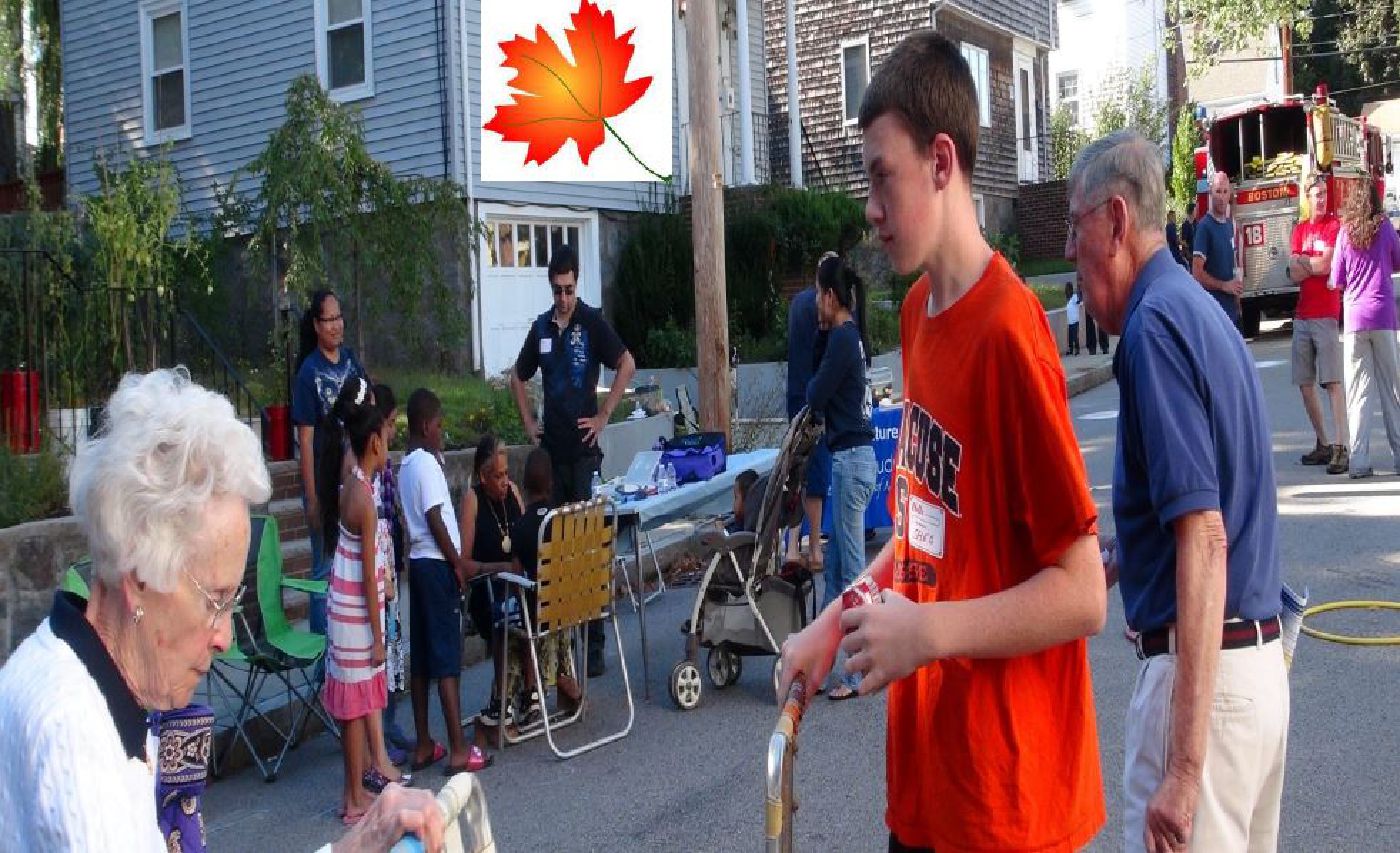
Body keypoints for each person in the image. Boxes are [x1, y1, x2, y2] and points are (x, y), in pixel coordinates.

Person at [778, 32, 1108, 853]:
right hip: (928, 784)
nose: (869, 207)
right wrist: (837, 620)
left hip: (1009, 802)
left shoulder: (1010, 333)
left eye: (882, 174)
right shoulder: (919, 317)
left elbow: (1082, 591)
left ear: (941, 161)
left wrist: (927, 634)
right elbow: (925, 535)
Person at [0, 368, 444, 851]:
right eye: (217, 601)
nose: (226, 637)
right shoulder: (75, 736)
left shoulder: (93, 683)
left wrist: (360, 842)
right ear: (140, 576)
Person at [1068, 131, 1288, 852]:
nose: (1071, 254)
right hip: (1254, 680)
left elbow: (1204, 533)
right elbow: (1205, 504)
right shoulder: (1199, 312)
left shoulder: (1152, 328)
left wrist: (1185, 768)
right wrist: (1122, 554)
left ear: (1116, 222)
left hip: (1206, 695)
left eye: (1076, 229)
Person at [510, 244, 636, 678]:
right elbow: (518, 375)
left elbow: (626, 363)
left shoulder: (590, 322)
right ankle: (562, 638)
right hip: (553, 453)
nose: (563, 298)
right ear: (550, 287)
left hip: (583, 454)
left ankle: (595, 641)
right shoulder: (542, 328)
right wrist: (530, 423)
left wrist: (603, 415)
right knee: (555, 548)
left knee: (590, 545)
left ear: (576, 283)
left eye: (569, 290)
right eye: (557, 291)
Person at [318, 377, 409, 823]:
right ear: (373, 441)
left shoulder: (352, 478)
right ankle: (353, 797)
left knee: (354, 707)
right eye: (387, 434)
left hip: (345, 605)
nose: (390, 440)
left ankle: (355, 791)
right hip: (357, 613)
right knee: (354, 707)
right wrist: (378, 635)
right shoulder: (365, 501)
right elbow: (370, 579)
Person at [399, 389, 493, 775]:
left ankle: (424, 743)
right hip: (437, 564)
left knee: (421, 660)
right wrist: (457, 564)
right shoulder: (426, 465)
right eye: (438, 425)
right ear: (426, 426)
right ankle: (457, 748)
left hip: (418, 564)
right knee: (447, 660)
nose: (442, 432)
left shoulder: (405, 465)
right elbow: (436, 517)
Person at [806, 254, 876, 701]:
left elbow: (814, 394)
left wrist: (821, 332)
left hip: (851, 460)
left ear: (831, 296)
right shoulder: (848, 337)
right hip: (852, 460)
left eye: (817, 293)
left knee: (851, 572)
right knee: (833, 574)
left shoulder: (842, 340)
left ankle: (858, 673)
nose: (815, 302)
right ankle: (822, 665)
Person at [293, 289, 369, 642]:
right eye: (329, 319)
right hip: (324, 482)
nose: (337, 325)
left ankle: (344, 644)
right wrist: (312, 497)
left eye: (340, 317)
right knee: (323, 569)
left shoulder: (351, 361)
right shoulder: (309, 373)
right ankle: (321, 656)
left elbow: (370, 400)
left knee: (349, 564)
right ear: (316, 324)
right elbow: (305, 440)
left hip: (352, 481)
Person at [505, 447, 584, 722]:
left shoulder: (520, 527)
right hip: (573, 606)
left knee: (521, 616)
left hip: (539, 612)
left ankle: (530, 693)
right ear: (551, 484)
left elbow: (516, 576)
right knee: (553, 611)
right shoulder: (563, 520)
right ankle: (564, 679)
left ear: (524, 486)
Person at [1329, 179, 1400, 479]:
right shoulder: (1384, 227)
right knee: (1392, 390)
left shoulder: (1345, 231)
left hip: (1356, 319)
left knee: (1358, 393)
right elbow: (1397, 261)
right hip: (1383, 316)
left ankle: (1359, 461)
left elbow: (1336, 277)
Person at [458, 434, 525, 727]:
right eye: (497, 476)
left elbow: (525, 538)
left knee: (537, 606)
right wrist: (499, 566)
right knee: (505, 612)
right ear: (483, 477)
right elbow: (464, 563)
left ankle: (532, 691)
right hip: (486, 584)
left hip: (515, 582)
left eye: (506, 473)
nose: (503, 481)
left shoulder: (513, 492)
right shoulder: (473, 499)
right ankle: (502, 697)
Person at [1286, 179, 1349, 474]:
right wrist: (1311, 263)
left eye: (1324, 194)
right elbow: (1294, 274)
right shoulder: (1300, 230)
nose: (1322, 199)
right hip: (1302, 316)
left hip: (1326, 314)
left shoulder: (1333, 228)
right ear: (1307, 198)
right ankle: (1323, 443)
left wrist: (1305, 261)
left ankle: (1341, 446)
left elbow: (1327, 266)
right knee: (1305, 383)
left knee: (1333, 382)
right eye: (1316, 195)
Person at [784, 252, 837, 576]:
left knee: (795, 473)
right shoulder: (823, 308)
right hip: (816, 397)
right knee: (815, 474)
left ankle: (791, 547)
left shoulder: (796, 304)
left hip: (795, 395)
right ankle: (814, 547)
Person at [371, 384, 412, 764]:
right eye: (388, 424)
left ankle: (391, 722)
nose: (393, 431)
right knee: (381, 647)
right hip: (377, 567)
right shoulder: (368, 470)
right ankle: (379, 734)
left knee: (393, 647)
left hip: (390, 563)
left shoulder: (385, 465)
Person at [1193, 171, 1245, 331]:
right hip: (1214, 314)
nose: (1221, 197)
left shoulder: (1229, 225)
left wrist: (1236, 296)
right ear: (1210, 193)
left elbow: (1232, 262)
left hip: (1232, 313)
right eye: (1217, 191)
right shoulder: (1205, 227)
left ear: (1229, 194)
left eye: (1224, 192)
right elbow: (1196, 272)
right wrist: (1224, 286)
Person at [1081, 273, 1111, 354]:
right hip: (1092, 293)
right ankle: (1100, 346)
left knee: (1098, 321)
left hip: (1094, 292)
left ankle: (1097, 347)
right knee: (1095, 321)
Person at [1065, 281, 1082, 355]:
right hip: (1070, 321)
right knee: (1070, 337)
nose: (1067, 291)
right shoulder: (1068, 299)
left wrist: (1079, 294)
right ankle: (1071, 349)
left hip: (1075, 320)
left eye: (1068, 289)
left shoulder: (1074, 296)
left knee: (1075, 336)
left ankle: (1077, 349)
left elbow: (1078, 302)